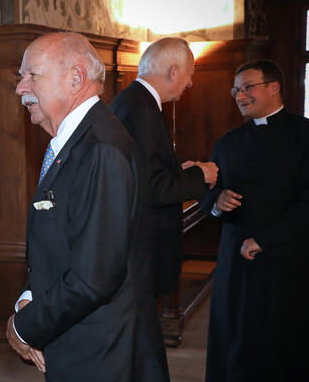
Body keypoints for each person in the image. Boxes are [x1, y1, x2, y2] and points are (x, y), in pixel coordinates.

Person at [5, 32, 145, 381]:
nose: (21, 88)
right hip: (75, 338)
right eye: (21, 77)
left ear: (75, 79)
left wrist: (23, 327)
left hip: (98, 353)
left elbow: (94, 278)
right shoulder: (77, 140)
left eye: (31, 75)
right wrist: (30, 295)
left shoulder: (101, 148)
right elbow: (63, 243)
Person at [109, 37, 218, 380]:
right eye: (188, 74)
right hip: (141, 248)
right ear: (172, 71)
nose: (189, 83)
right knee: (144, 350)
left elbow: (146, 172)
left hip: (139, 246)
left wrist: (179, 172)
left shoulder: (136, 102)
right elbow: (151, 189)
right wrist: (201, 176)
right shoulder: (139, 109)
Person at [200, 59, 309, 382]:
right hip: (236, 266)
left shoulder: (304, 136)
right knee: (235, 344)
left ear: (274, 88)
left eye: (248, 88)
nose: (240, 95)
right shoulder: (228, 142)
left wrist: (266, 240)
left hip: (288, 264)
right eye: (236, 89)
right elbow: (208, 191)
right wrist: (216, 202)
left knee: (283, 347)